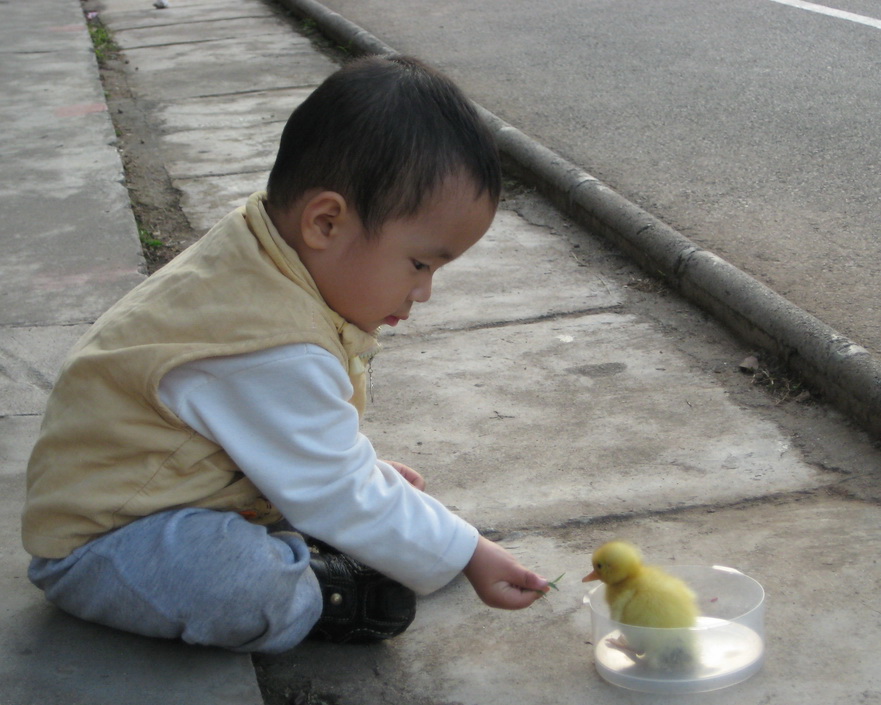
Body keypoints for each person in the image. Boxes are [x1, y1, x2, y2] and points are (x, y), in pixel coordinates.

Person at [21, 55, 549, 653]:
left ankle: (324, 524)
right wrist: (469, 552)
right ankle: (321, 593)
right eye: (421, 264)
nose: (424, 291)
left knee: (363, 486)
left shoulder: (260, 251)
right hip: (108, 543)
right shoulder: (267, 342)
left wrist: (350, 479)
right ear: (325, 222)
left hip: (173, 496)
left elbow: (290, 436)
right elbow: (332, 484)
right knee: (244, 580)